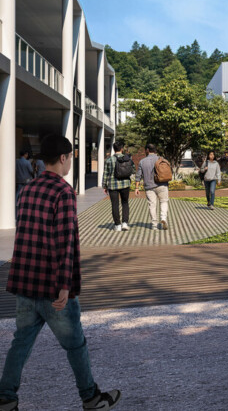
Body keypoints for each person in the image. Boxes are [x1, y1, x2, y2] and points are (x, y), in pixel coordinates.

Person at [0, 134, 121, 409]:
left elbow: (25, 235)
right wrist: (65, 284)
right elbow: (66, 241)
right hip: (53, 285)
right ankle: (91, 398)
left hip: (24, 281)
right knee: (75, 344)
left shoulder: (27, 189)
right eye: (71, 157)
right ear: (65, 158)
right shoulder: (63, 192)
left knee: (21, 343)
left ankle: (6, 399)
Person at [138, 145, 170, 232]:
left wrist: (136, 187)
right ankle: (163, 218)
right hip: (162, 184)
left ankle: (154, 225)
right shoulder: (161, 159)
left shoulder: (142, 161)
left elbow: (138, 176)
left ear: (147, 150)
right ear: (155, 150)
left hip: (149, 187)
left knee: (152, 205)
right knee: (164, 202)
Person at [104, 141, 134, 231]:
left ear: (114, 149)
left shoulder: (109, 160)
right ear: (121, 149)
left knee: (115, 205)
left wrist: (104, 186)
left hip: (112, 186)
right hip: (125, 184)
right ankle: (125, 223)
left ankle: (117, 225)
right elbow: (133, 170)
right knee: (125, 203)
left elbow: (105, 174)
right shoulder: (128, 159)